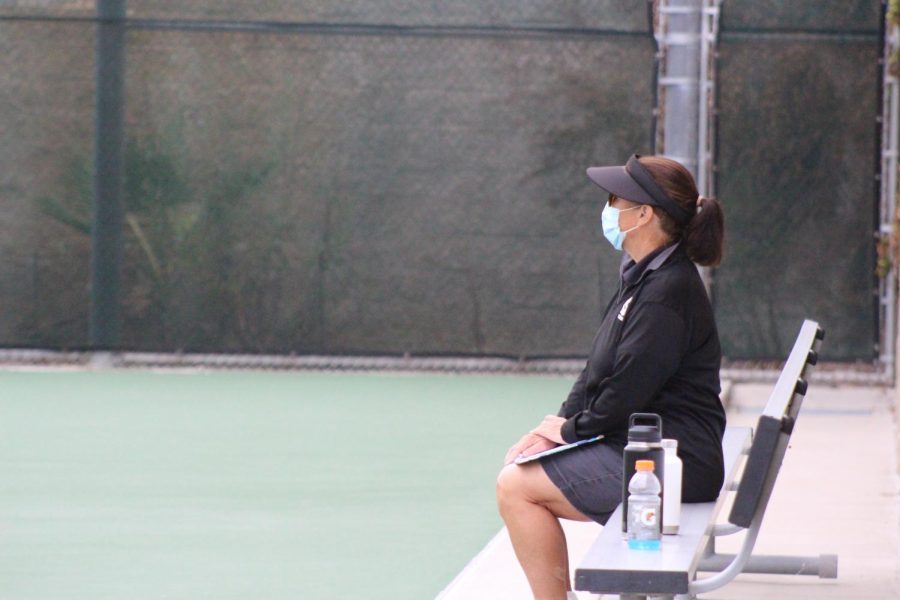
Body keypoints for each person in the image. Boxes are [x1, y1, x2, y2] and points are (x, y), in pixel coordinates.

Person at [495, 154, 726, 600]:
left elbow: (625, 392)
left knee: (516, 488)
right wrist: (555, 429)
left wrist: (570, 431)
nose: (607, 207)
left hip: (676, 463)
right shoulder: (643, 275)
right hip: (650, 447)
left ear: (643, 214)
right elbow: (597, 370)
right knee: (520, 476)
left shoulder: (666, 292)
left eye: (615, 199)